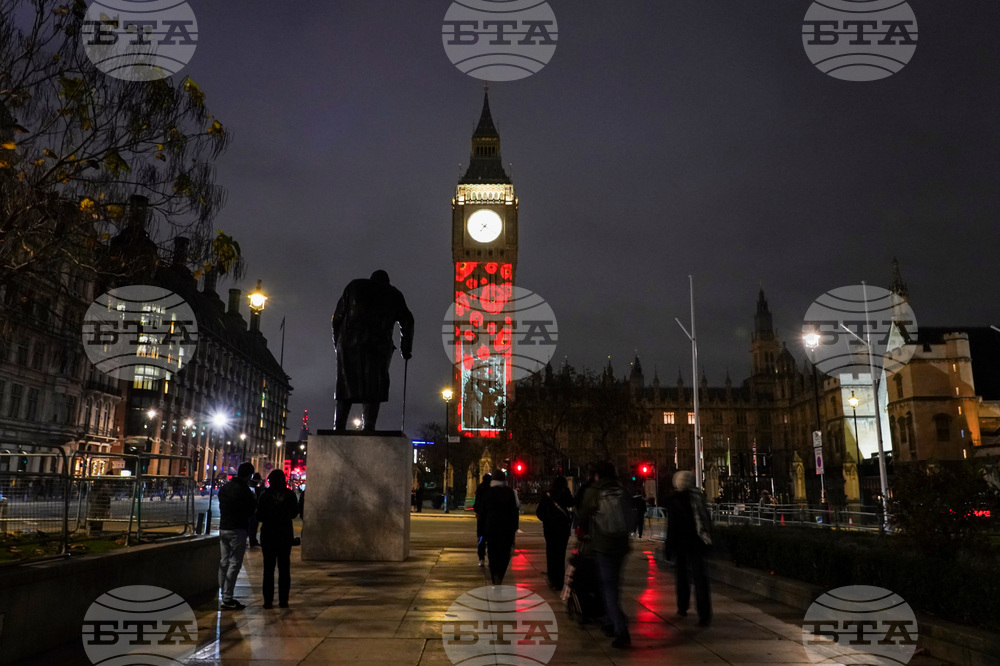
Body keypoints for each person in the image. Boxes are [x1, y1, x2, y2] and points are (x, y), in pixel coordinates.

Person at [331, 270, 414, 431]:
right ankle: (369, 426)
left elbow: (337, 318)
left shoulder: (353, 286)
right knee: (373, 386)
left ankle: (338, 426)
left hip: (349, 345)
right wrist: (406, 348)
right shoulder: (393, 293)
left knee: (345, 385)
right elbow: (408, 321)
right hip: (377, 347)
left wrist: (338, 346)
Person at [578, 461, 633, 649]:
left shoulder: (594, 491)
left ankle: (620, 629)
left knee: (607, 587)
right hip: (622, 544)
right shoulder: (621, 490)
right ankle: (612, 619)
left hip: (603, 545)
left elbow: (583, 516)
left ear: (597, 475)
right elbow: (631, 518)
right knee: (614, 584)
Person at [665, 470, 712, 627]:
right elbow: (706, 520)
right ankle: (704, 613)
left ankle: (682, 606)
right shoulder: (698, 497)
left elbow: (671, 527)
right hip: (698, 543)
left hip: (681, 544)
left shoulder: (675, 500)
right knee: (700, 579)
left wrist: (668, 547)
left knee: (682, 576)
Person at [256, 470, 300, 609]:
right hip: (284, 534)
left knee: (268, 569)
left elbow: (259, 516)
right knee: (284, 568)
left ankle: (268, 601)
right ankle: (283, 600)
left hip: (268, 534)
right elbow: (294, 513)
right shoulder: (290, 495)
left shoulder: (265, 495)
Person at [218, 462, 256, 610]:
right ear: (249, 475)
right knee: (235, 563)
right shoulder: (245, 490)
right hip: (238, 528)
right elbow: (251, 511)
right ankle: (227, 598)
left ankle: (224, 594)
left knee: (224, 562)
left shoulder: (225, 487)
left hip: (224, 527)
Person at [480, 469, 519, 585]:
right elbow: (514, 512)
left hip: (491, 527)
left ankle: (494, 575)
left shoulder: (488, 492)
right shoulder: (509, 492)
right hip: (506, 528)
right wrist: (514, 527)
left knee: (492, 553)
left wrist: (481, 530)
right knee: (504, 553)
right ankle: (500, 574)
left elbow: (483, 512)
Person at [536, 476, 574, 590]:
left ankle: (552, 579)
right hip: (563, 529)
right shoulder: (564, 493)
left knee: (551, 553)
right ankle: (559, 580)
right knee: (560, 554)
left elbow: (539, 512)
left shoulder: (547, 495)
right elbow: (571, 503)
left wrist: (547, 519)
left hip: (550, 528)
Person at [472, 473, 491, 565]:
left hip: (482, 519)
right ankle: (490, 558)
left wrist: (477, 511)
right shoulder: (492, 489)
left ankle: (481, 558)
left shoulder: (480, 488)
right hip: (491, 518)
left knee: (481, 539)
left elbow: (476, 503)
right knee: (491, 540)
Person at [248, 472, 263, 548]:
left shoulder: (249, 485)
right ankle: (252, 541)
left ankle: (252, 540)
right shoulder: (254, 487)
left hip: (249, 510)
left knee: (251, 526)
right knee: (253, 526)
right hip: (253, 510)